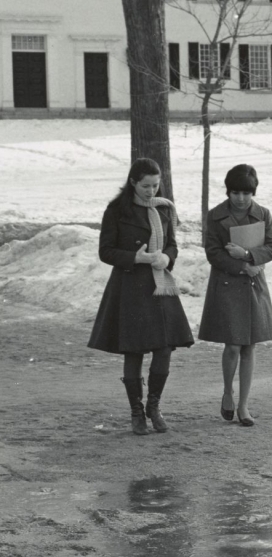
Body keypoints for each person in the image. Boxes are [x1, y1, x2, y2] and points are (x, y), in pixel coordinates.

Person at [88, 158, 194, 435]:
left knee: (164, 347)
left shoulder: (164, 208)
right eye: (145, 186)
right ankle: (136, 411)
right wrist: (134, 258)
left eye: (156, 185)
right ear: (132, 182)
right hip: (130, 286)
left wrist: (166, 257)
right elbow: (105, 251)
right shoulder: (117, 210)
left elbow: (172, 244)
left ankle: (153, 406)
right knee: (134, 349)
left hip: (160, 285)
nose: (151, 191)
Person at [198, 164, 272, 427]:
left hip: (254, 283)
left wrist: (247, 255)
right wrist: (241, 265)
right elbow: (213, 251)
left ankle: (244, 404)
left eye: (246, 193)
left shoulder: (263, 214)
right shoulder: (215, 215)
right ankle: (227, 392)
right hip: (227, 282)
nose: (241, 198)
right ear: (228, 191)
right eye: (235, 193)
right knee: (232, 344)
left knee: (249, 345)